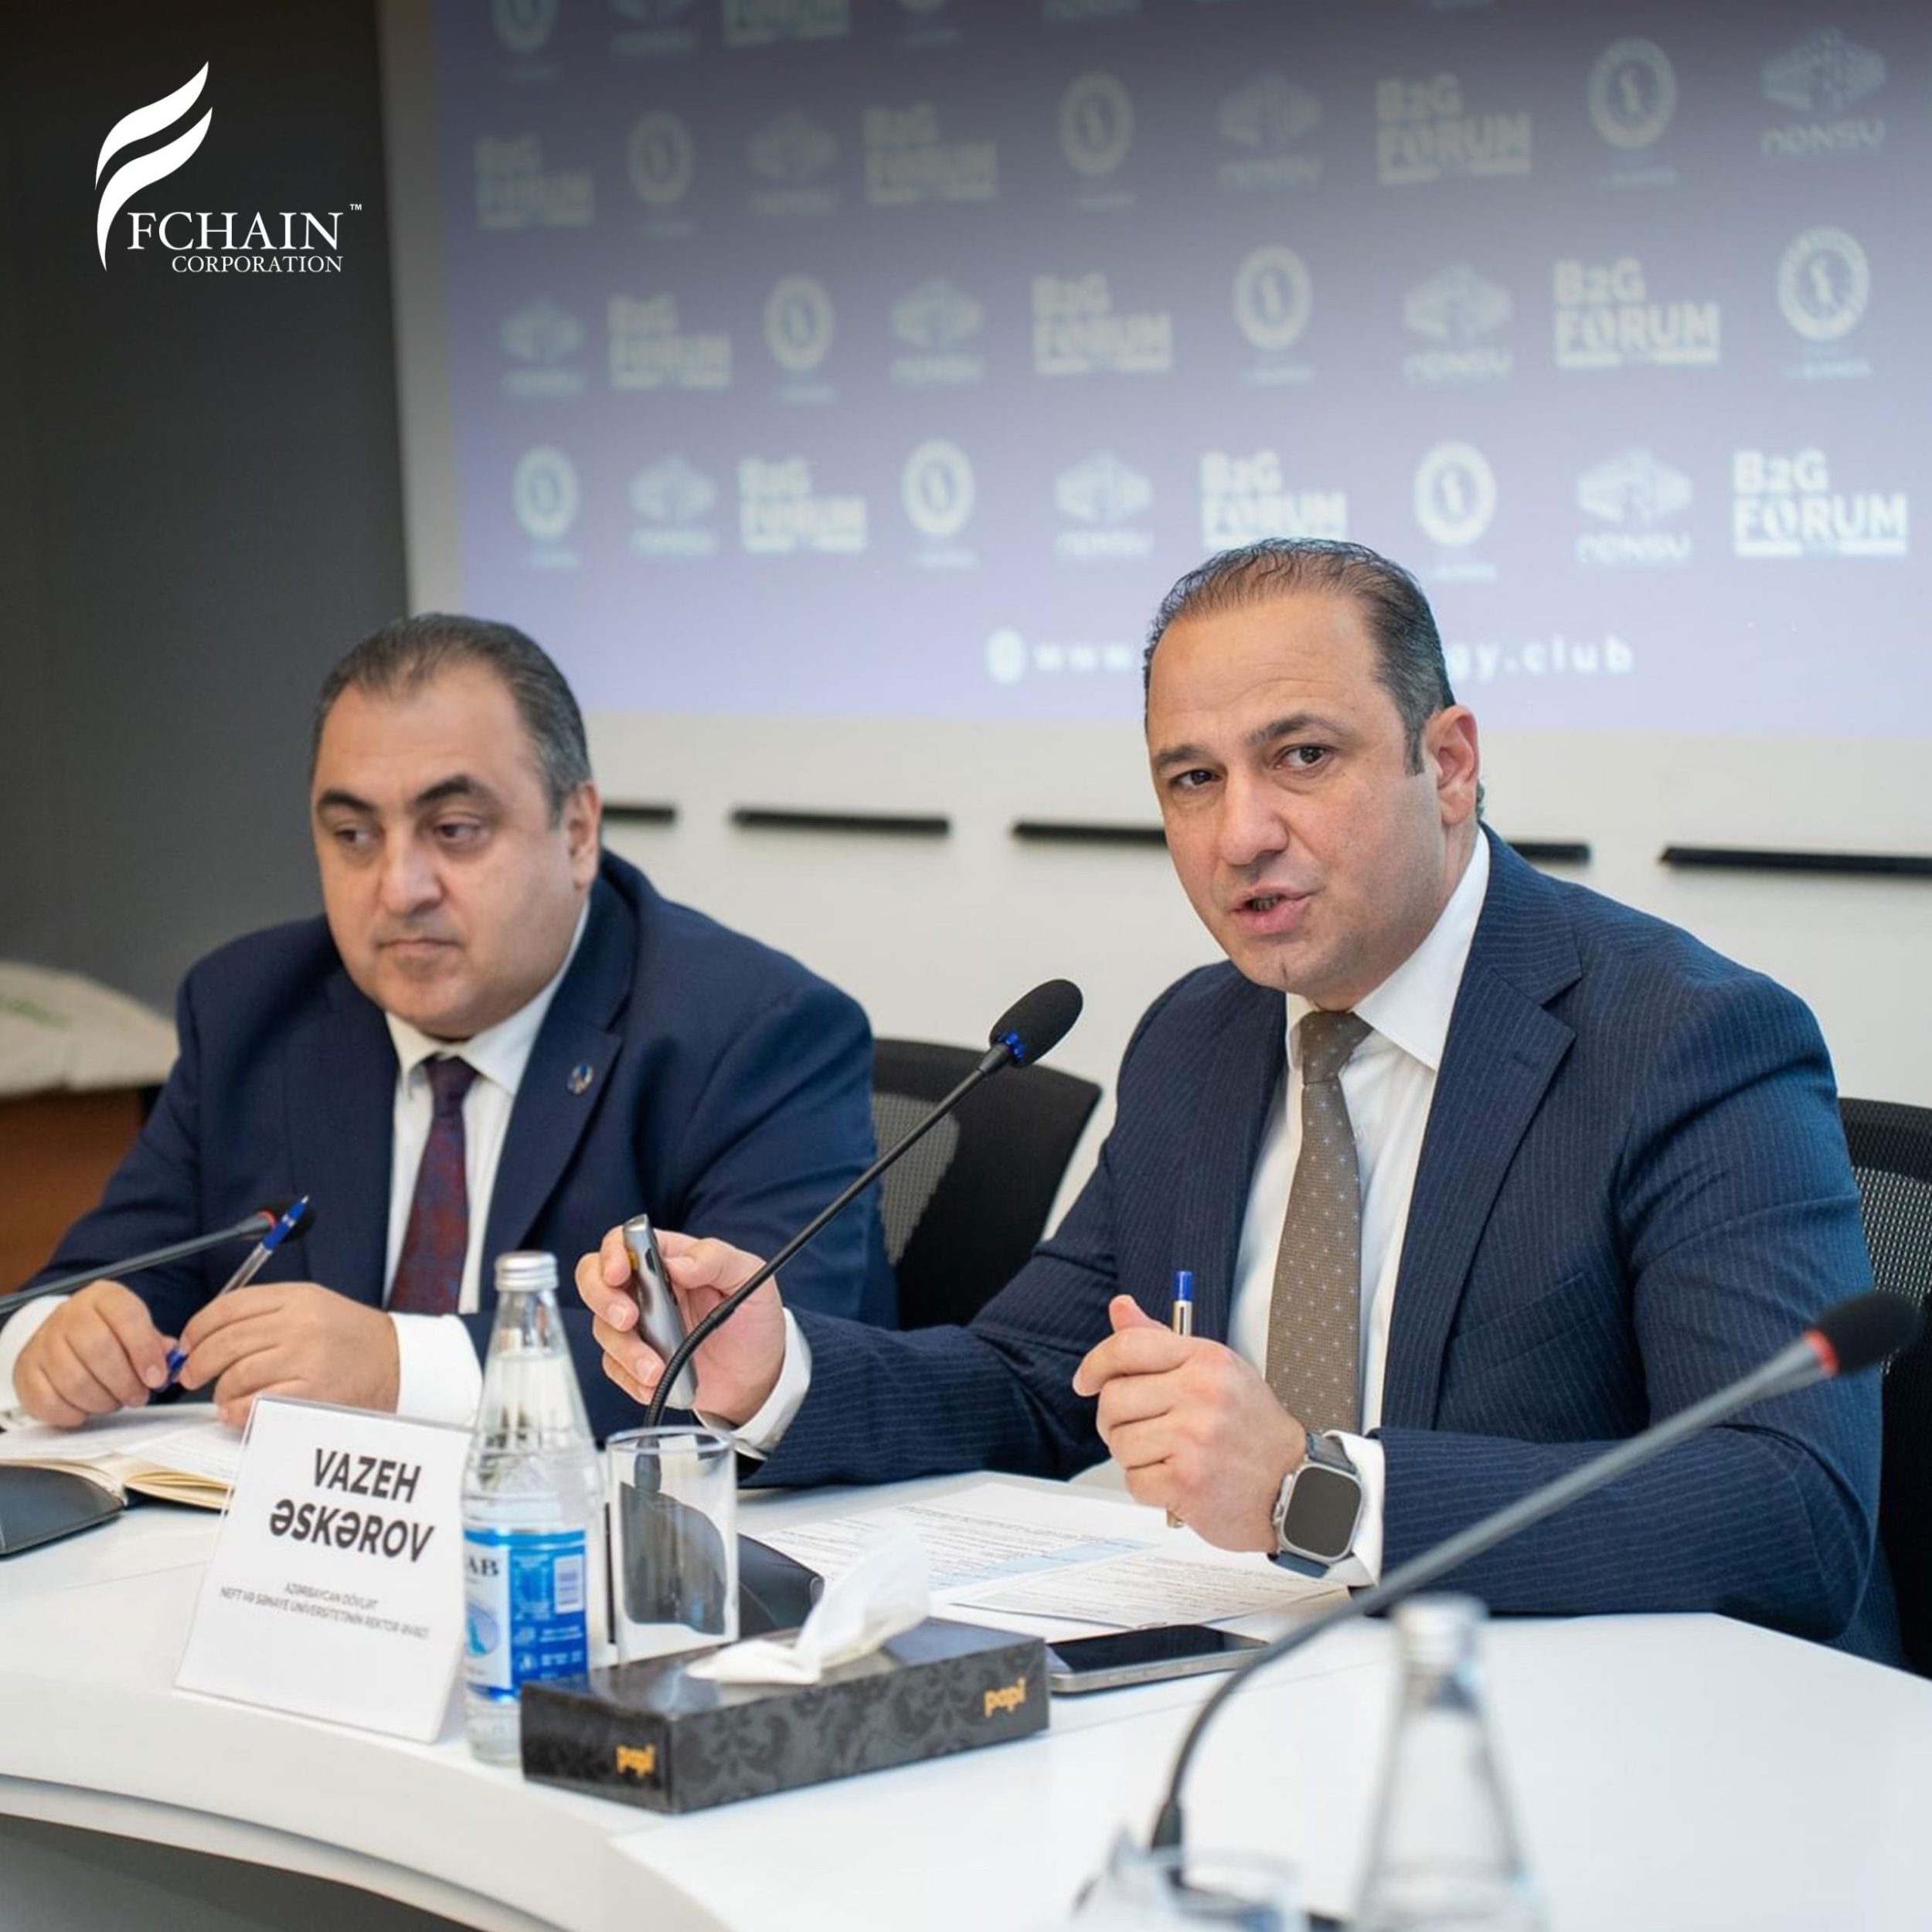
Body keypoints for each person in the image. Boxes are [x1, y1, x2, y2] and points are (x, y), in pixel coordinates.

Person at [573, 539, 1900, 1664]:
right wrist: (776, 1370)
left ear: (1447, 764)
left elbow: (1790, 1506)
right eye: (1193, 780)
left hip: (1594, 1725)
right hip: (1258, 1692)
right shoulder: (1199, 1038)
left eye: (1302, 756)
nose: (1241, 834)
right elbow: (1038, 1380)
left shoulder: (1685, 1039)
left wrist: (1317, 1493)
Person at [2, 615, 893, 1440]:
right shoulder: (249, 1009)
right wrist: (58, 1342)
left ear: (577, 831)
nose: (400, 888)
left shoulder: (752, 1033)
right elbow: (96, 1286)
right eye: (354, 835)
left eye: (455, 829)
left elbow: (766, 1366)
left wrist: (399, 1366)